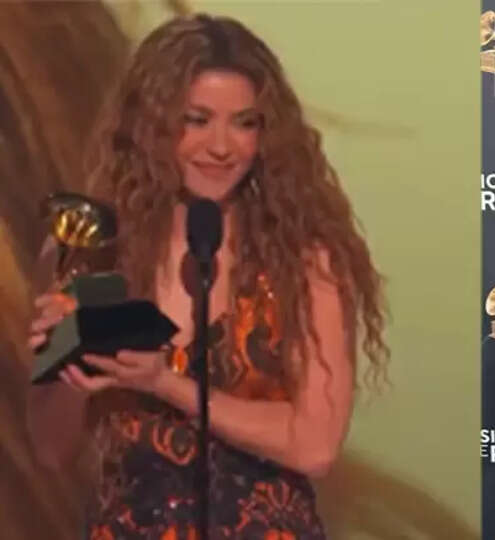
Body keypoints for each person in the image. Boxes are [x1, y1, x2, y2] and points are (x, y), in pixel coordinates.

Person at [25, 13, 388, 539]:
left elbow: (315, 445)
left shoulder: (306, 262)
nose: (222, 147)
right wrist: (74, 369)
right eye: (196, 119)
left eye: (245, 123)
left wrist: (163, 383)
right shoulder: (86, 253)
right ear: (150, 125)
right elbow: (49, 449)